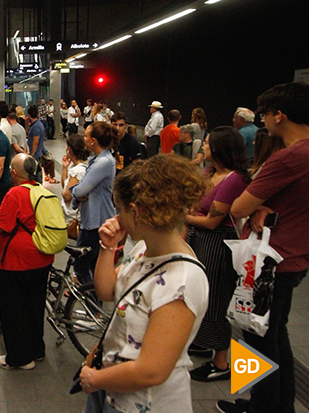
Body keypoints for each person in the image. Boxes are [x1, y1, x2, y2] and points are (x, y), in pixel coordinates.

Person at [79, 153, 209, 413]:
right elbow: (106, 291)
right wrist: (108, 248)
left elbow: (152, 371)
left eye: (121, 209)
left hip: (143, 404)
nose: (118, 216)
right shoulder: (143, 250)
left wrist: (93, 379)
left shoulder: (181, 282)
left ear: (136, 212)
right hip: (113, 390)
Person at [220, 82, 309, 413]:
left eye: (266, 114)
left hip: (267, 264)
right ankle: (278, 404)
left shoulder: (287, 158)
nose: (264, 121)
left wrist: (260, 204)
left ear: (280, 116)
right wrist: (271, 205)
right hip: (295, 258)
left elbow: (240, 207)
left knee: (255, 339)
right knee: (276, 336)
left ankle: (261, 407)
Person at [184, 126, 250, 382]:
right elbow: (195, 200)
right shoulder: (211, 171)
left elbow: (213, 221)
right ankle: (203, 341)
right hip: (201, 241)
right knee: (201, 295)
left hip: (218, 245)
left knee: (216, 300)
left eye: (209, 144)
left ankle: (221, 362)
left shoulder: (233, 179)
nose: (203, 147)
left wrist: (183, 217)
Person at [0, 153, 54, 370]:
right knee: (35, 306)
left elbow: (1, 226)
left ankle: (20, 358)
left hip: (17, 261)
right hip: (43, 257)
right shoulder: (40, 190)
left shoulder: (14, 194)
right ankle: (36, 350)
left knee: (14, 310)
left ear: (14, 172)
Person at [71, 122, 117, 284]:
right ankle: (95, 303)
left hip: (95, 222)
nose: (84, 138)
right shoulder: (97, 159)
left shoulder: (103, 162)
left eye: (87, 135)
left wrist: (75, 193)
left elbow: (81, 190)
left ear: (93, 141)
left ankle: (93, 306)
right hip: (93, 219)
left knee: (81, 267)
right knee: (92, 265)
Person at [61, 134, 88, 223]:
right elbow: (65, 185)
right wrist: (65, 168)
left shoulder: (78, 171)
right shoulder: (74, 166)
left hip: (71, 217)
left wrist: (63, 193)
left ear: (69, 150)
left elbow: (67, 195)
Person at [26, 105, 46, 182]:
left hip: (35, 154)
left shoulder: (36, 127)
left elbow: (35, 141)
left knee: (36, 175)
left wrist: (32, 154)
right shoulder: (38, 124)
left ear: (29, 115)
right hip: (38, 153)